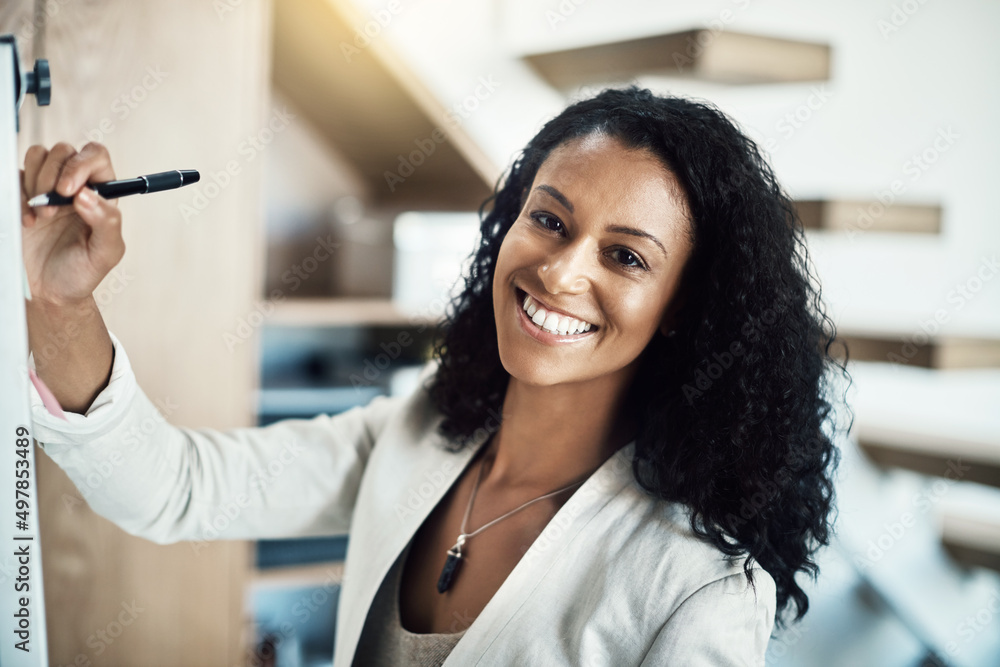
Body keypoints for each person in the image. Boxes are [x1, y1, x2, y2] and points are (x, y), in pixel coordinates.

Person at [21, 86, 847, 666]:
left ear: (679, 308)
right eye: (549, 218)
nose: (559, 272)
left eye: (626, 255)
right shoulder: (420, 426)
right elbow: (175, 488)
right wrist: (63, 302)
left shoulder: (695, 589)